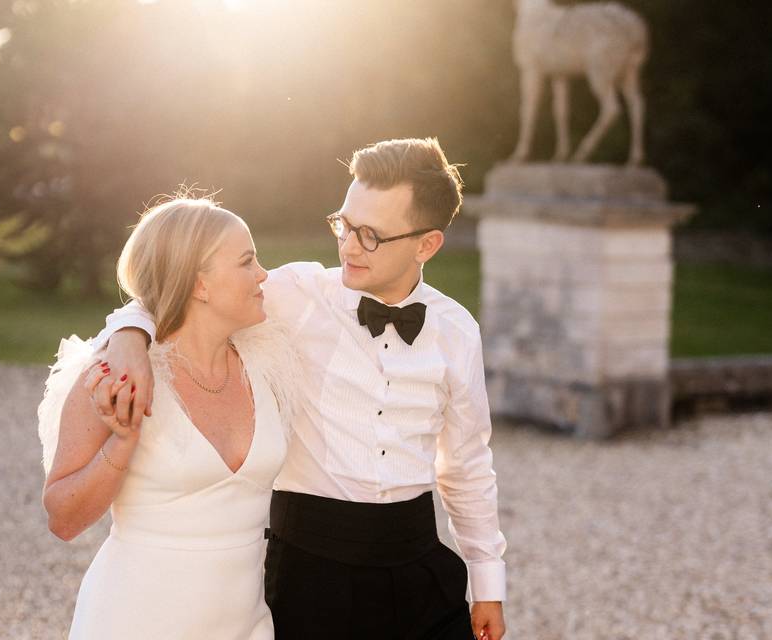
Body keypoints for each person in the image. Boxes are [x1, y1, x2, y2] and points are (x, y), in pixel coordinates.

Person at [94, 138, 508, 640]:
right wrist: (129, 334)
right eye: (345, 224)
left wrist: (488, 582)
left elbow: (465, 463)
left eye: (371, 235)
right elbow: (179, 291)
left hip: (416, 559)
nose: (350, 246)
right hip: (309, 569)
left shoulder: (457, 330)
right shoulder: (296, 295)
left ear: (426, 245)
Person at [37, 198, 298, 639]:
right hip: (133, 622)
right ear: (199, 284)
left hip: (246, 627)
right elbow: (63, 519)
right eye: (247, 261)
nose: (262, 274)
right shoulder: (116, 376)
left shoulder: (268, 361)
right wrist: (122, 442)